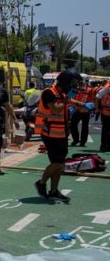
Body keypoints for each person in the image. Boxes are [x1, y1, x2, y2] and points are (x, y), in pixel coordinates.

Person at [35, 69, 92, 200]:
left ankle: (53, 191)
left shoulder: (62, 94)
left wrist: (85, 105)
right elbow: (55, 108)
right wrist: (66, 102)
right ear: (66, 82)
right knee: (58, 163)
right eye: (73, 83)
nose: (74, 86)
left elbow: (71, 102)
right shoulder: (49, 92)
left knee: (59, 164)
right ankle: (41, 183)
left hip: (61, 133)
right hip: (50, 133)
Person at [69, 81, 93, 147]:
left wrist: (92, 109)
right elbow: (69, 98)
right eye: (78, 84)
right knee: (73, 125)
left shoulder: (89, 90)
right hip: (77, 110)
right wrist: (71, 107)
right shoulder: (75, 90)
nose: (79, 86)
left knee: (85, 127)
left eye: (81, 84)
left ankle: (83, 142)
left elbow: (93, 99)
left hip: (86, 111)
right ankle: (76, 139)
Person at [96, 80, 110, 152]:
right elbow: (97, 97)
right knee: (105, 130)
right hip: (106, 113)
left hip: (106, 112)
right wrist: (97, 108)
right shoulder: (106, 88)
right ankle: (103, 145)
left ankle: (107, 145)